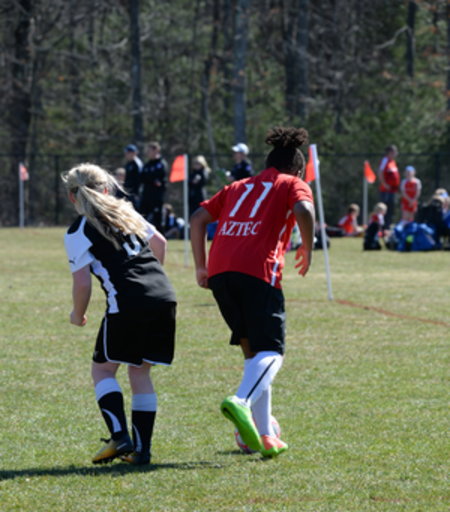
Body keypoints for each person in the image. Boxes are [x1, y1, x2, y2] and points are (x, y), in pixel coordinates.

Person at [190, 126, 315, 459]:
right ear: (298, 170)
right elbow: (304, 210)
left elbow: (198, 219)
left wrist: (201, 266)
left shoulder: (237, 186)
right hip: (258, 272)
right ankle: (240, 401)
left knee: (254, 356)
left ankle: (264, 435)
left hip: (220, 274)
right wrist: (308, 246)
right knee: (273, 352)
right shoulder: (293, 183)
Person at [62, 163, 177, 466]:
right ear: (106, 188)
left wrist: (77, 314)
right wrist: (150, 281)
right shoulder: (127, 212)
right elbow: (160, 243)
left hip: (128, 302)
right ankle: (141, 451)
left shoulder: (79, 229)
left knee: (102, 370)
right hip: (164, 296)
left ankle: (119, 436)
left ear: (73, 196)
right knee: (139, 372)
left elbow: (82, 283)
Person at [140, 141, 168, 232]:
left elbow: (161, 181)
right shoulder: (147, 165)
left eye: (149, 151)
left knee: (157, 219)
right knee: (142, 217)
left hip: (156, 197)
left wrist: (153, 180)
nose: (148, 153)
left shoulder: (161, 164)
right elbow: (143, 178)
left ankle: (161, 237)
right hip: (146, 196)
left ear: (156, 150)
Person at [378, 144, 400, 229]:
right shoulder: (385, 160)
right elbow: (380, 172)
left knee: (391, 210)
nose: (396, 153)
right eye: (395, 152)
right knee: (384, 209)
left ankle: (387, 226)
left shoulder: (392, 162)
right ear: (390, 152)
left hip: (392, 190)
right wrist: (384, 184)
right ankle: (382, 227)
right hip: (386, 190)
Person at [123, 144, 143, 208]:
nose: (126, 155)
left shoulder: (137, 164)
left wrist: (137, 193)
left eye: (127, 153)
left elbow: (139, 180)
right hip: (128, 191)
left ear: (133, 153)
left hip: (135, 193)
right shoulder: (128, 163)